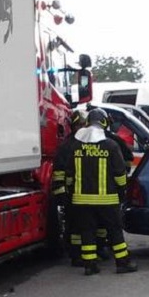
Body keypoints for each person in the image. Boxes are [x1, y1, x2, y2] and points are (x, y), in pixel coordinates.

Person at [65, 108, 137, 275]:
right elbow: (120, 174)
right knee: (115, 231)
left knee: (87, 231)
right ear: (104, 123)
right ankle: (122, 263)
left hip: (81, 200)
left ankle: (89, 265)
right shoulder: (111, 145)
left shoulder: (76, 146)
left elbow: (69, 174)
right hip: (107, 200)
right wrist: (122, 192)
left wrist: (70, 193)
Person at [52, 110, 111, 267]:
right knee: (76, 227)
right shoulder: (69, 146)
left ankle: (97, 250)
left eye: (82, 124)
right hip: (72, 193)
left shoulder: (85, 143)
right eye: (78, 125)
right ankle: (77, 255)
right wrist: (62, 193)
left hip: (84, 192)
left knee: (93, 225)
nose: (80, 128)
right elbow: (60, 172)